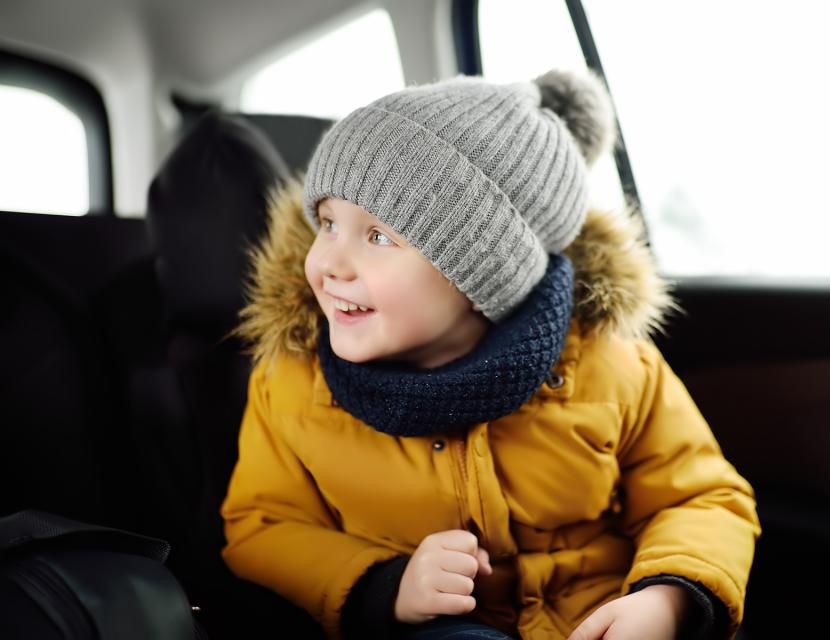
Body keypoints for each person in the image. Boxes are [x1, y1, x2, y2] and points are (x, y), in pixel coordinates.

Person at [220, 68, 760, 640]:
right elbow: (263, 526)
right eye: (328, 223)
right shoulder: (293, 384)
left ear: (482, 273)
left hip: (602, 618)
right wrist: (386, 586)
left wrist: (668, 597)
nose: (328, 262)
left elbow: (701, 495)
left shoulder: (612, 366)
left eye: (378, 236)